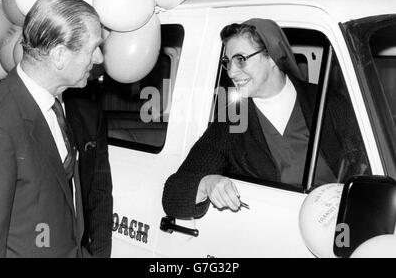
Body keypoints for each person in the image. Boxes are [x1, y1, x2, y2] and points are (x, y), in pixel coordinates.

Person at [162, 18, 367, 219]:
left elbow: (367, 169)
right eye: (227, 62)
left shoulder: (329, 103)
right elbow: (173, 194)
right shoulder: (233, 117)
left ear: (271, 57)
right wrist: (207, 183)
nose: (232, 72)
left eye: (241, 59)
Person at [0, 0, 103, 257]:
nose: (99, 58)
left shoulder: (56, 107)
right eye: (93, 47)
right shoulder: (0, 124)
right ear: (59, 55)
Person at [63, 72, 113, 258]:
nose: (98, 58)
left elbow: (100, 192)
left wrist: (99, 254)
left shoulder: (90, 114)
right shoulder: (6, 110)